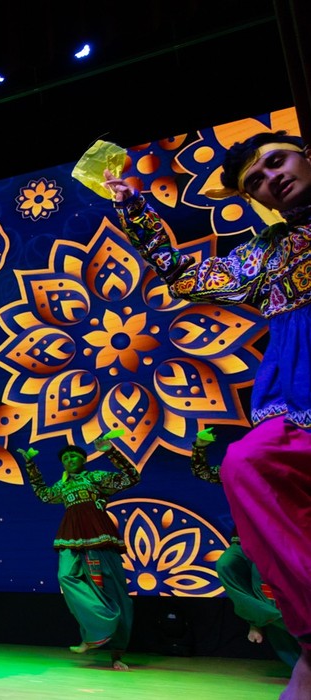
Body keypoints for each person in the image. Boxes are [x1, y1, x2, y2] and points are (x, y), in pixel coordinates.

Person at [104, 132, 311, 697]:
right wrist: (131, 206)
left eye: (278, 162)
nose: (272, 178)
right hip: (300, 398)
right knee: (246, 463)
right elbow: (180, 274)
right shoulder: (269, 253)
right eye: (256, 183)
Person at [17, 436, 137, 670]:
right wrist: (31, 465)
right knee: (66, 577)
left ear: (83, 459)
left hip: (99, 535)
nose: (69, 459)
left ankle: (117, 653)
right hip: (71, 535)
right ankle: (95, 631)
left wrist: (110, 451)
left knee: (114, 591)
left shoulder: (95, 477)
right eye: (64, 458)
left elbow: (132, 477)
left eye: (73, 455)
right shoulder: (62, 486)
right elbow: (43, 494)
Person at [190, 428, 301, 669]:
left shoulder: (282, 476)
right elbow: (203, 472)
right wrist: (199, 446)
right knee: (225, 565)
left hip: (270, 542)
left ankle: (269, 630)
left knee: (262, 589)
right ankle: (266, 619)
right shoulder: (238, 474)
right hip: (241, 541)